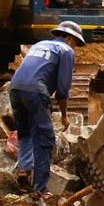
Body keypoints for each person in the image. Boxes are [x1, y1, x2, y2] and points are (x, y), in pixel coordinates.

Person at [7, 19, 84, 193]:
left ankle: (24, 170)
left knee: (25, 132)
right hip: (36, 90)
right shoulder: (66, 50)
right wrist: (64, 116)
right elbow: (63, 88)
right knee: (44, 139)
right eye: (76, 44)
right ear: (70, 39)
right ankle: (40, 189)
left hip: (15, 88)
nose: (75, 48)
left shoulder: (39, 45)